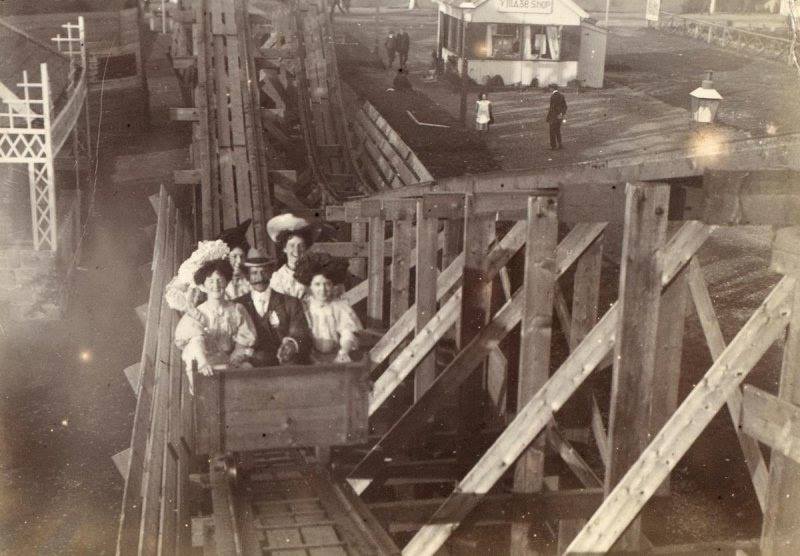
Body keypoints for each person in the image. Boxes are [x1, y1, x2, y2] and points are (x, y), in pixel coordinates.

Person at [174, 258, 257, 391]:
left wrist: (235, 357)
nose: (216, 285)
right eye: (211, 281)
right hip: (206, 364)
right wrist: (203, 362)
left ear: (227, 281)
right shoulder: (197, 314)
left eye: (220, 280)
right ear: (203, 286)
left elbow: (245, 339)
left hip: (231, 361)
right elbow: (196, 342)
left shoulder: (237, 309)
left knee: (247, 370)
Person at [235, 248, 312, 366]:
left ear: (271, 273)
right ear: (247, 276)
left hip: (284, 368)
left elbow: (300, 334)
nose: (260, 277)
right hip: (249, 370)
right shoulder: (238, 305)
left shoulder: (290, 303)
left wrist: (291, 345)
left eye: (263, 272)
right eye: (254, 273)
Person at [294, 252, 363, 363]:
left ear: (333, 285)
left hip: (336, 357)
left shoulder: (340, 307)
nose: (323, 289)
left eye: (327, 284)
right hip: (309, 359)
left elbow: (348, 332)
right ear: (309, 286)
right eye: (317, 284)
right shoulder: (304, 307)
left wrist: (344, 351)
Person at [266, 213, 320, 298]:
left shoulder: (315, 272)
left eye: (301, 246)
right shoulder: (279, 278)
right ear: (284, 248)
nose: (296, 251)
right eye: (291, 245)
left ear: (306, 248)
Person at [217, 219, 252, 299]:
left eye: (242, 256)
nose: (239, 261)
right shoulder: (219, 277)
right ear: (227, 257)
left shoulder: (248, 275)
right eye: (234, 256)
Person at [546, 85, 568, 150]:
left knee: (552, 131)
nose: (549, 89)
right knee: (558, 131)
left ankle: (553, 146)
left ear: (552, 88)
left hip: (553, 117)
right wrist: (561, 113)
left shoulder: (553, 96)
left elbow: (552, 108)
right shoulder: (561, 95)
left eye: (550, 88)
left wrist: (549, 117)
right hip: (559, 117)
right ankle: (560, 144)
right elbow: (565, 106)